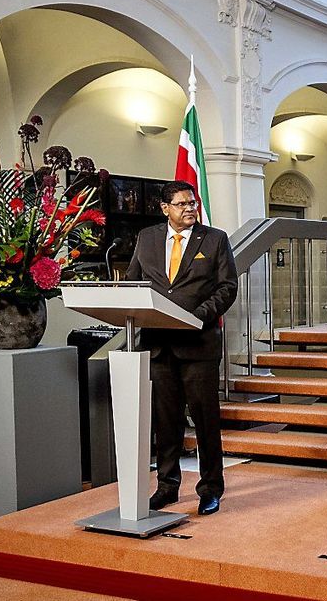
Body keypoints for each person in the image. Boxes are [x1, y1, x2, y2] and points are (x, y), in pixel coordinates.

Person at [126, 180, 238, 516]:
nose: (190, 208)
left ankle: (210, 489)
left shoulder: (215, 239)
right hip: (159, 346)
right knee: (166, 421)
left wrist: (195, 317)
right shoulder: (146, 238)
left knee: (205, 421)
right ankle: (167, 487)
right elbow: (134, 281)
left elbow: (227, 287)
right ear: (165, 209)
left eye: (192, 203)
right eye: (181, 204)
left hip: (198, 344)